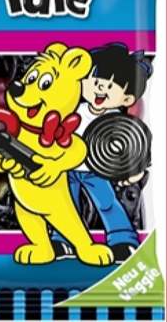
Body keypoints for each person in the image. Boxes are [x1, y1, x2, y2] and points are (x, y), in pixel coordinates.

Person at [51, 43, 152, 263]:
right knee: (65, 206)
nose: (100, 88)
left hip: (95, 170)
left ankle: (123, 240)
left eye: (110, 86)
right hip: (67, 168)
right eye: (95, 81)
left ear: (127, 98)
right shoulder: (74, 110)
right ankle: (62, 240)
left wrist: (131, 172)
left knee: (107, 202)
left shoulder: (117, 122)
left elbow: (129, 149)